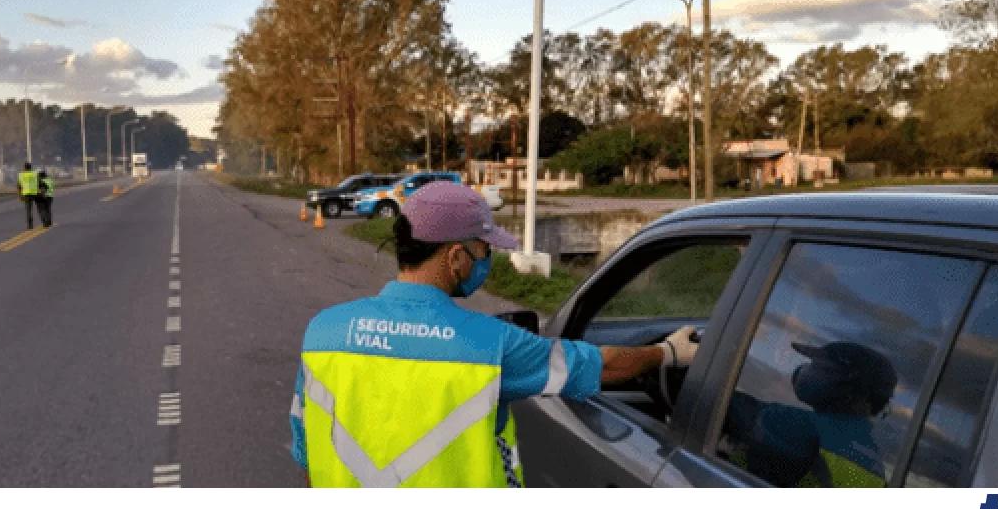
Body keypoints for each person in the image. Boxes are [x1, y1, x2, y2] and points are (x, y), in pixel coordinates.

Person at [290, 182, 699, 487]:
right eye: (484, 250)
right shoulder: (490, 344)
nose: (487, 261)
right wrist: (667, 353)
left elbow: (308, 450)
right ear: (455, 257)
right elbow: (600, 366)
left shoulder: (322, 332)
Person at [721, 341, 898, 487]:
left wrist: (694, 356)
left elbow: (717, 401)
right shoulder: (875, 461)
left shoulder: (801, 426)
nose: (803, 370)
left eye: (818, 367)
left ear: (848, 388)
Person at [16, 162, 40, 230]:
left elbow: (19, 186)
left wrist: (20, 195)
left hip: (26, 194)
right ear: (30, 167)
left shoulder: (21, 175)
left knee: (28, 210)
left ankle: (30, 225)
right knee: (40, 208)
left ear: (24, 168)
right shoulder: (35, 174)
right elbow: (39, 183)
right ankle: (44, 220)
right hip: (35, 193)